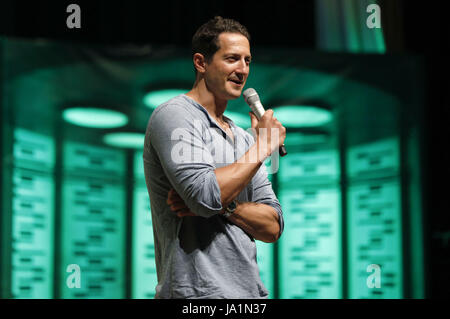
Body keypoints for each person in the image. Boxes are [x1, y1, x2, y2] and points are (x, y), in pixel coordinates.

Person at [143, 16, 286, 299]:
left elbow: (272, 225)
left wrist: (228, 206)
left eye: (247, 60)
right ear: (201, 63)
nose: (242, 69)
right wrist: (263, 146)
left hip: (248, 297)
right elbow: (205, 197)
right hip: (195, 296)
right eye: (232, 58)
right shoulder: (175, 115)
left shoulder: (244, 138)